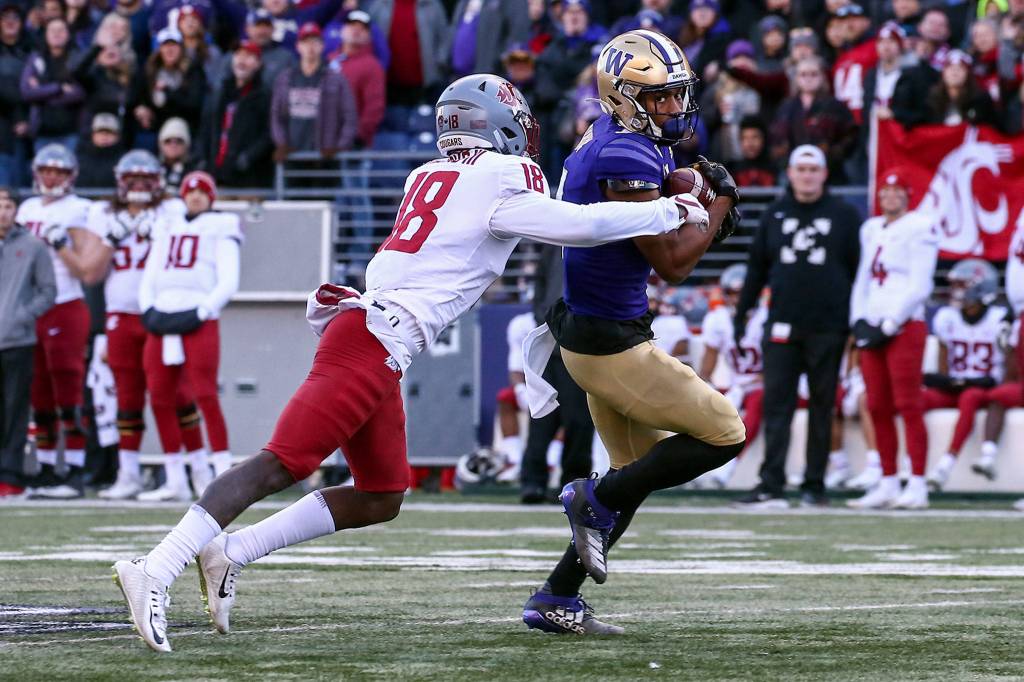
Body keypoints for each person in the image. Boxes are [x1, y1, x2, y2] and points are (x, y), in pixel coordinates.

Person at [112, 73, 705, 652]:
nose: (527, 140)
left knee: (380, 493)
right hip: (372, 339)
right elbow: (581, 226)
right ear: (499, 128)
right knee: (281, 462)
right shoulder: (504, 174)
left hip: (375, 337)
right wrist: (672, 211)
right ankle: (155, 568)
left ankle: (231, 552)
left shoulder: (429, 172)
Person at [522, 30, 744, 635]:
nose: (675, 108)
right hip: (610, 343)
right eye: (662, 98)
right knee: (726, 433)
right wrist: (719, 201)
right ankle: (588, 498)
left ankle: (555, 597)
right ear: (622, 96)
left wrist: (687, 189)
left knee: (635, 476)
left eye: (679, 95)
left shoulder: (618, 139)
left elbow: (657, 206)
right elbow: (672, 261)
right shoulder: (624, 153)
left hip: (595, 332)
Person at [733, 145, 861, 509]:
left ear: (824, 173)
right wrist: (741, 314)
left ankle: (814, 485)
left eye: (812, 169)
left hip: (829, 326)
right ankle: (772, 483)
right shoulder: (774, 214)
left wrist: (853, 320)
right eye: (800, 169)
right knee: (777, 405)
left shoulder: (845, 215)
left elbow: (857, 270)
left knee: (823, 406)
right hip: (782, 327)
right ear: (789, 173)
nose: (806, 175)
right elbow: (757, 268)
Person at [85, 150, 210, 501]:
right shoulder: (101, 213)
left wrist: (162, 235)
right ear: (120, 181)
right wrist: (112, 238)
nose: (139, 187)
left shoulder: (171, 210)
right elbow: (91, 273)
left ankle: (197, 471)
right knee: (126, 396)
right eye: (132, 180)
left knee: (177, 392)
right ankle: (129, 474)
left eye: (145, 180)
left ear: (157, 181)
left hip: (161, 312)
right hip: (120, 313)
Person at [136, 169, 239, 503]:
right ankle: (176, 477)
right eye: (190, 191)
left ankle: (222, 474)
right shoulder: (168, 226)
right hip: (163, 316)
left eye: (202, 191)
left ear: (211, 197)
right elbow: (150, 272)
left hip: (197, 317)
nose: (195, 196)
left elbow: (228, 278)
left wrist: (205, 310)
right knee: (160, 395)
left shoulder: (221, 226)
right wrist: (147, 308)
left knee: (205, 394)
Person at [846, 168, 937, 510]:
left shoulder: (921, 227)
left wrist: (889, 323)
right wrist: (858, 321)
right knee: (877, 405)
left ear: (908, 196)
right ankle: (886, 480)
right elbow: (863, 279)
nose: (891, 197)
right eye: (886, 191)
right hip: (872, 325)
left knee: (908, 404)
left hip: (903, 326)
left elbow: (921, 284)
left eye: (898, 191)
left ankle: (917, 482)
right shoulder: (871, 229)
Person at [16, 144, 98, 499]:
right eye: (46, 171)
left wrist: (61, 243)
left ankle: (76, 466)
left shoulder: (81, 209)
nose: (51, 177)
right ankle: (48, 466)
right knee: (39, 391)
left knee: (68, 386)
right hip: (32, 305)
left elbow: (86, 267)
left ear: (70, 176)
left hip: (65, 302)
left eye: (58, 172)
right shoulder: (27, 208)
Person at [923, 260, 1018, 491]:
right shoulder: (947, 317)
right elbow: (943, 368)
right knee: (914, 400)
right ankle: (907, 463)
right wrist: (948, 382)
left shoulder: (999, 319)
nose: (957, 292)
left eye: (962, 286)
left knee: (970, 397)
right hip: (956, 385)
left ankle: (946, 464)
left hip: (983, 387)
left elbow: (1007, 367)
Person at [0, 187, 56, 497]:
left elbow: (48, 291)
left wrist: (21, 315)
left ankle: (10, 475)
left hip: (18, 340)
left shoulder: (33, 247)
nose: (3, 211)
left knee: (16, 410)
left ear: (16, 210)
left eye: (8, 205)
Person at [697, 264, 766, 489]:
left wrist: (765, 378)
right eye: (734, 293)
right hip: (738, 384)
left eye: (743, 292)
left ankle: (728, 467)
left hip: (764, 383)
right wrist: (701, 384)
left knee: (758, 401)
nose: (738, 298)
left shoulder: (766, 317)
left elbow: (780, 361)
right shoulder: (718, 319)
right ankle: (694, 467)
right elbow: (709, 358)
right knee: (700, 402)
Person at [271, 22, 357, 162]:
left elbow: (349, 116)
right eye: (305, 42)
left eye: (315, 42)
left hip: (325, 157)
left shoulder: (336, 79)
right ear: (298, 46)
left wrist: (340, 147)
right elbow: (276, 115)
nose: (310, 47)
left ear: (322, 46)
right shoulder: (285, 78)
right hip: (292, 156)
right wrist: (281, 144)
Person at [199, 41, 274, 188]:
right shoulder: (220, 92)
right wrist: (203, 158)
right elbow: (206, 129)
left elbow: (269, 134)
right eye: (238, 55)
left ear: (258, 64)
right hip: (217, 176)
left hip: (250, 179)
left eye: (248, 56)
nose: (242, 60)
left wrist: (247, 158)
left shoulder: (265, 95)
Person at [130, 26, 207, 142]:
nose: (170, 50)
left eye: (174, 45)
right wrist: (142, 109)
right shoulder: (150, 70)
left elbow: (194, 103)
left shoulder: (193, 70)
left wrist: (168, 92)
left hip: (186, 126)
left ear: (181, 48)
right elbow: (138, 97)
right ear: (159, 49)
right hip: (156, 126)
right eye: (166, 46)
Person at [20, 16, 85, 152]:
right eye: (52, 30)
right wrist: (59, 88)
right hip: (42, 133)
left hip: (71, 133)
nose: (56, 34)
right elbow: (27, 93)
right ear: (46, 35)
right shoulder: (36, 59)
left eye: (61, 30)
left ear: (68, 35)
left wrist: (42, 92)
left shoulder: (77, 58)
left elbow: (79, 93)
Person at [444, 0, 529, 78]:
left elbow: (517, 36)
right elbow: (454, 29)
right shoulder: (464, 2)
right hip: (456, 77)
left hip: (488, 79)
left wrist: (497, 62)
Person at [75, 112, 127, 189]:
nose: (104, 136)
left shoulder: (124, 161)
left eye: (109, 133)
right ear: (93, 135)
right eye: (100, 132)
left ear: (118, 136)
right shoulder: (79, 159)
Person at [157, 117, 196, 194]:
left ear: (187, 145)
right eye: (168, 141)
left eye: (179, 141)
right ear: (160, 145)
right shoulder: (153, 170)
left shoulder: (194, 173)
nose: (173, 145)